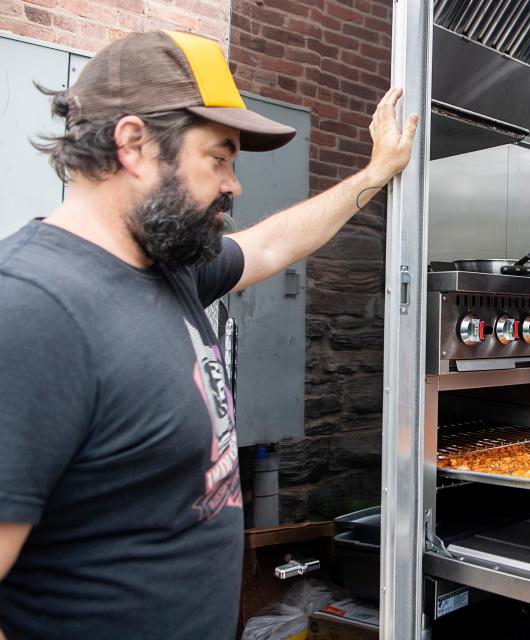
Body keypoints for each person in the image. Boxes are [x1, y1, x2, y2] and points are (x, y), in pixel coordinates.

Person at [0, 30, 418, 639]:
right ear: (134, 145)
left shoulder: (171, 269)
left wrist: (377, 172)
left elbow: (273, 242)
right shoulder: (33, 309)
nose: (233, 184)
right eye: (218, 158)